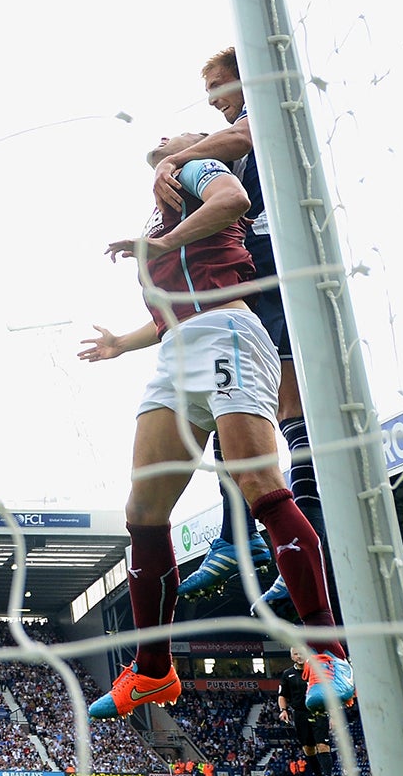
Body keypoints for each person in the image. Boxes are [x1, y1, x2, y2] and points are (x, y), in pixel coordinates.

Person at [77, 136, 352, 720]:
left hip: (228, 331)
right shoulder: (165, 197)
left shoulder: (199, 168)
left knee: (262, 488)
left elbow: (234, 200)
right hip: (179, 347)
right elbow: (175, 307)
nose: (157, 143)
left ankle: (328, 651)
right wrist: (122, 344)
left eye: (169, 137)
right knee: (143, 514)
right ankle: (153, 671)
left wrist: (164, 236)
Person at [153, 48, 324, 613]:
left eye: (218, 88)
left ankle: (285, 547)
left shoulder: (262, 113)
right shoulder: (230, 142)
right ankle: (245, 538)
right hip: (265, 271)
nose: (215, 103)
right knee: (252, 409)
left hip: (279, 265)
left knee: (286, 416)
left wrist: (173, 161)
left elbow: (237, 141)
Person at [279, 647, 335, 776]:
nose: (299, 656)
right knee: (308, 749)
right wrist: (283, 710)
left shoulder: (317, 671)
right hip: (300, 714)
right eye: (296, 654)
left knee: (322, 745)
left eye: (301, 653)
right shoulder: (287, 674)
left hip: (318, 711)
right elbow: (282, 695)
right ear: (292, 657)